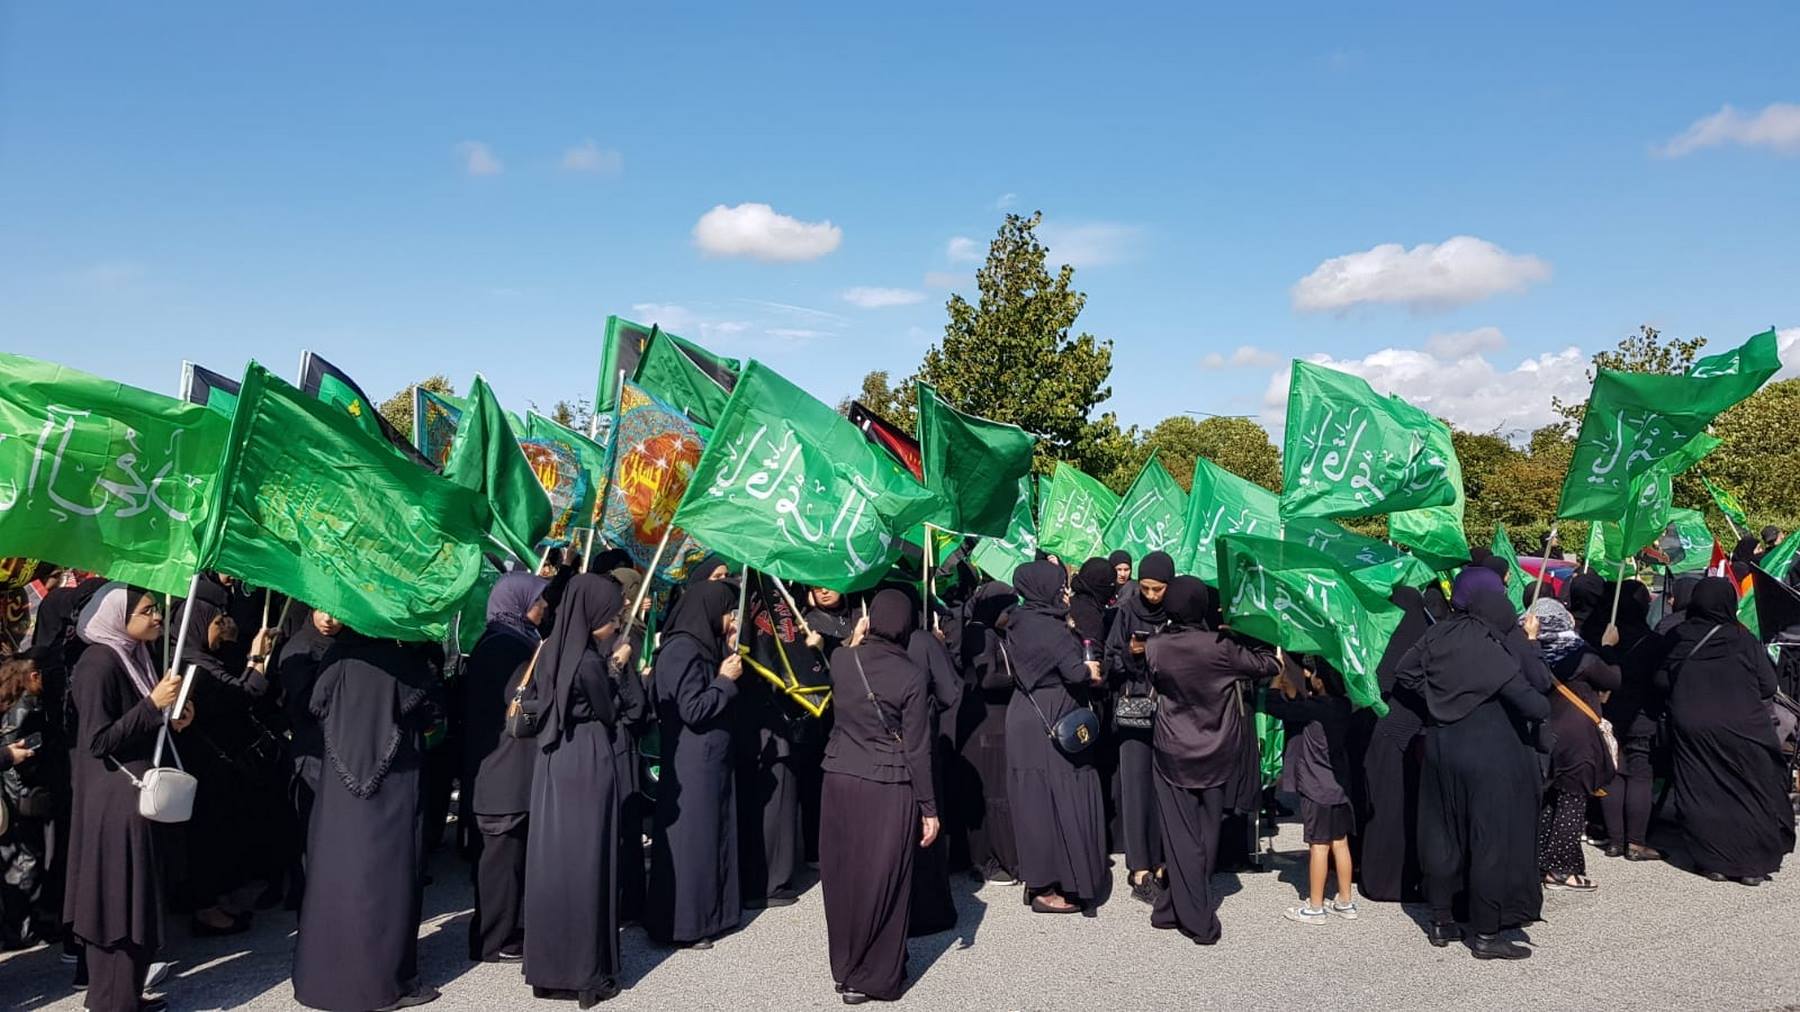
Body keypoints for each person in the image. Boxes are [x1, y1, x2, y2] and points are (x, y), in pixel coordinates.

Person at [1395, 569, 1550, 960]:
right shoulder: (1491, 649)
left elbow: (1406, 672)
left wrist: (1436, 701)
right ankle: (1485, 932)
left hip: (1441, 745)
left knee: (1442, 833)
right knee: (1489, 842)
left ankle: (1442, 919)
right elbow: (1537, 704)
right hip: (1489, 753)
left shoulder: (1438, 633)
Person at [292, 630, 437, 1011]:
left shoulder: (336, 657)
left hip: (338, 790)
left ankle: (325, 977)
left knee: (337, 876)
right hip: (392, 785)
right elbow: (428, 713)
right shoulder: (402, 663)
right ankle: (382, 981)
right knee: (385, 879)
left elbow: (315, 704)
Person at [66, 584, 191, 1012]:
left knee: (136, 897)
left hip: (134, 795)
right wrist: (151, 706)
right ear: (118, 616)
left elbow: (138, 724)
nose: (157, 617)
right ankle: (112, 1000)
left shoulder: (132, 655)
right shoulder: (98, 662)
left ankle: (126, 995)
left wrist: (169, 718)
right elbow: (98, 740)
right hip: (114, 801)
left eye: (156, 608)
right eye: (147, 610)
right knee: (117, 900)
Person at [820, 590, 939, 1005]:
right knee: (886, 878)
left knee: (843, 876)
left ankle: (845, 965)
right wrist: (929, 807)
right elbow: (918, 749)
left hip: (838, 775)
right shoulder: (910, 675)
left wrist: (855, 638)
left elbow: (848, 659)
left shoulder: (841, 659)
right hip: (887, 782)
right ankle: (873, 973)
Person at [1144, 577, 1272, 944]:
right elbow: (1267, 666)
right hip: (1216, 745)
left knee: (1179, 832)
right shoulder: (1222, 647)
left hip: (1171, 745)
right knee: (1207, 830)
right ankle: (1183, 907)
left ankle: (1184, 909)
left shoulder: (1157, 646)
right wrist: (1244, 632)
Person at [524, 575, 631, 1006]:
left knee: (552, 865)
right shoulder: (588, 662)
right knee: (589, 865)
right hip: (587, 758)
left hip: (552, 762)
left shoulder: (549, 649)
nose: (615, 622)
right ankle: (588, 973)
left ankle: (549, 970)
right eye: (611, 616)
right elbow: (608, 709)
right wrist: (618, 669)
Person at [1654, 577, 1796, 885]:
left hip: (1693, 725)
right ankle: (1752, 864)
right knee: (1752, 789)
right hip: (1744, 725)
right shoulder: (1740, 638)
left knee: (1703, 789)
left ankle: (1712, 860)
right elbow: (1768, 685)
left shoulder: (1679, 635)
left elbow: (1661, 680)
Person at [172, 592, 280, 936]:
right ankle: (205, 909)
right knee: (205, 835)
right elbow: (240, 695)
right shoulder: (195, 666)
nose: (223, 629)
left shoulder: (194, 656)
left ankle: (211, 901)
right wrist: (257, 659)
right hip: (202, 764)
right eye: (218, 623)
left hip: (209, 761)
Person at [1003, 561, 1105, 914]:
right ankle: (1057, 886)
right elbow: (1076, 673)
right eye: (1060, 585)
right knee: (1063, 798)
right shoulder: (1051, 629)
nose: (1064, 592)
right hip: (1052, 717)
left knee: (1034, 803)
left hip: (1024, 715)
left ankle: (1039, 879)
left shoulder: (1018, 620)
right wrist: (1090, 668)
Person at [646, 580, 743, 948]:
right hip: (692, 761)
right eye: (727, 611)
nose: (731, 619)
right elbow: (693, 708)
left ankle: (712, 914)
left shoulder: (701, 645)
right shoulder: (683, 649)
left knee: (710, 837)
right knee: (693, 843)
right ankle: (687, 923)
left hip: (708, 758)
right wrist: (723, 679)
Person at [460, 573, 545, 963]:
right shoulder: (507, 646)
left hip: (499, 762)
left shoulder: (505, 639)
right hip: (503, 765)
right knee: (499, 855)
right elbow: (519, 702)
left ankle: (507, 930)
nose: (544, 607)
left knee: (509, 853)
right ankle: (492, 937)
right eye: (539, 599)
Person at [1527, 598, 1620, 892]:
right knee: (1573, 800)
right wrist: (1609, 647)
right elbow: (1613, 679)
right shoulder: (1583, 655)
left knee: (1550, 798)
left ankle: (1540, 860)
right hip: (1578, 737)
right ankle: (1562, 869)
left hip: (1544, 734)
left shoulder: (1531, 653)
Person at [1267, 660, 1359, 926]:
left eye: (1315, 675)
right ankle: (1345, 900)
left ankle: (1315, 906)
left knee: (1318, 846)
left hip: (1316, 787)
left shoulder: (1313, 709)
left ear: (1322, 683)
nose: (1310, 676)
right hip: (1339, 787)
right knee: (1340, 842)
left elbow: (1276, 706)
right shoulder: (1343, 706)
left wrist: (1278, 679)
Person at [1104, 550, 1171, 903]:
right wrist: (1132, 654)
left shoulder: (1175, 615)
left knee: (1164, 789)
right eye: (1145, 588)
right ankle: (1139, 867)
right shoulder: (1127, 612)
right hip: (1134, 709)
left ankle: (1163, 861)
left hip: (1170, 713)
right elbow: (1110, 659)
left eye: (1158, 589)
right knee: (1134, 788)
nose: (1151, 595)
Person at [1360, 586, 1432, 903]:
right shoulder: (1426, 637)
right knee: (1410, 807)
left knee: (1381, 806)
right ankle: (1410, 879)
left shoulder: (1377, 637)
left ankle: (1377, 879)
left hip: (1380, 728)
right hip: (1415, 730)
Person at [949, 580, 1019, 884]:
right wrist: (1018, 676)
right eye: (1008, 610)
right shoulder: (979, 633)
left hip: (995, 719)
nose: (1011, 615)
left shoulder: (994, 632)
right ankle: (987, 859)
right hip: (984, 721)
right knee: (990, 794)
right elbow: (987, 678)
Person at [273, 605, 341, 903]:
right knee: (310, 830)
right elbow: (302, 705)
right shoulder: (300, 648)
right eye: (321, 611)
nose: (328, 619)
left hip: (332, 750)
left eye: (336, 613)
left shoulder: (343, 645)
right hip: (311, 753)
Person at [1598, 581, 1664, 860]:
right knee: (1639, 775)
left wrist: (1606, 647)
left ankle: (1614, 841)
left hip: (1612, 713)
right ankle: (1635, 842)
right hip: (1641, 714)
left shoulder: (1604, 635)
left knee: (1614, 773)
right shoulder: (1653, 641)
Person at [1, 649, 58, 951]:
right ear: (33, 676)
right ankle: (22, 927)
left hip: (18, 797)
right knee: (27, 862)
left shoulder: (15, 703)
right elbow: (20, 756)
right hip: (25, 796)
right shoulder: (27, 708)